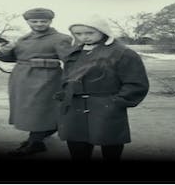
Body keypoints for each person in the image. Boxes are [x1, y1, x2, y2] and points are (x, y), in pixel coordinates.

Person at [56, 14, 149, 161]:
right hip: (75, 106)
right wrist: (65, 94)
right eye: (78, 34)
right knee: (77, 143)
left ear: (103, 30)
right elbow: (66, 76)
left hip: (106, 104)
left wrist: (117, 102)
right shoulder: (73, 53)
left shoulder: (122, 53)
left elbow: (136, 83)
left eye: (89, 33)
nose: (84, 37)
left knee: (110, 143)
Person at [0, 7, 72, 157]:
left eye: (43, 21)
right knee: (28, 109)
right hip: (21, 78)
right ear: (27, 21)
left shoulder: (61, 38)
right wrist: (6, 50)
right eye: (34, 21)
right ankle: (37, 136)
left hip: (46, 79)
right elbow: (11, 58)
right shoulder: (23, 38)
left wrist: (69, 81)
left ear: (50, 21)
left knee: (39, 109)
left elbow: (70, 61)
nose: (39, 24)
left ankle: (36, 142)